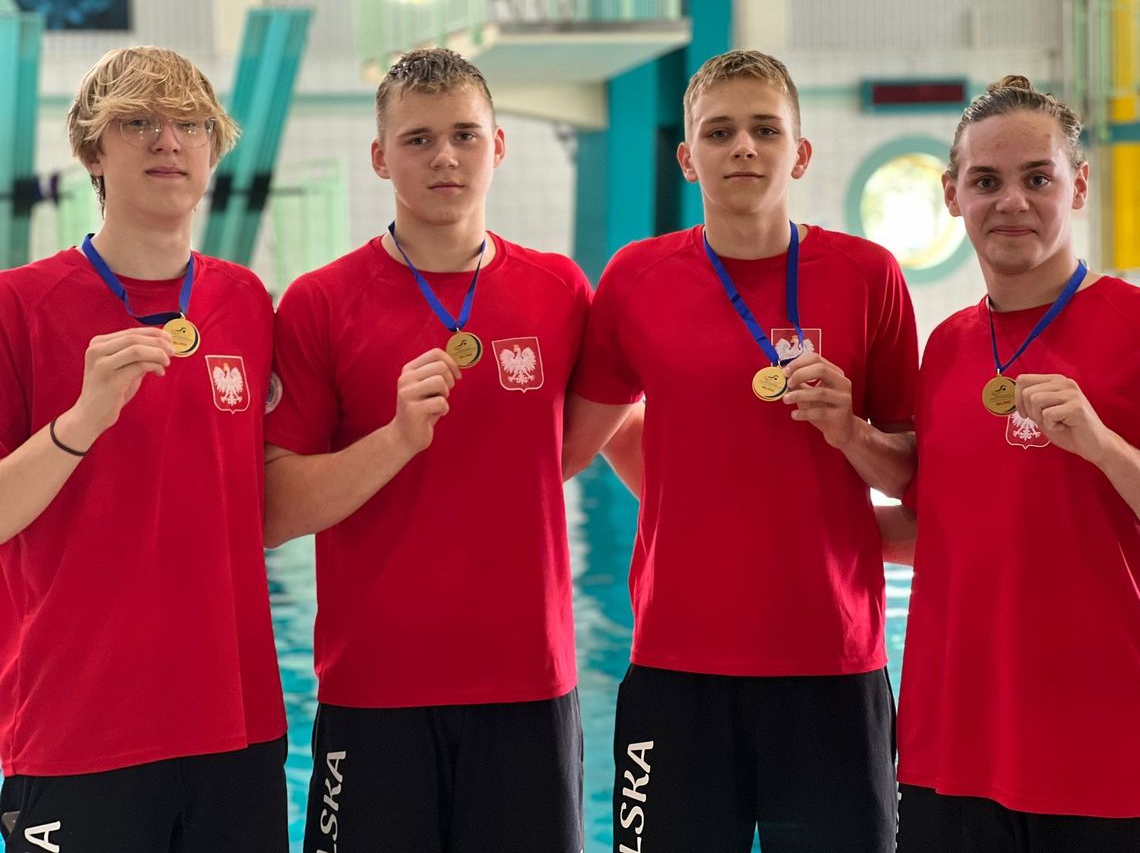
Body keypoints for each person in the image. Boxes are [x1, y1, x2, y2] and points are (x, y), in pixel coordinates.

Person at [562, 49, 919, 852]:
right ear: (688, 157)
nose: (744, 147)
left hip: (833, 664)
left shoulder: (868, 276)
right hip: (676, 668)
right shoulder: (637, 278)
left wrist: (850, 432)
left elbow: (916, 473)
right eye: (719, 132)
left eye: (765, 129)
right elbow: (571, 445)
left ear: (801, 151)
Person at [263, 48, 593, 853]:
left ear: (499, 146)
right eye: (417, 140)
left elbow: (592, 441)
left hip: (528, 685)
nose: (444, 156)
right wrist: (399, 440)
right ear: (379, 156)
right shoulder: (319, 303)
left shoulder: (560, 292)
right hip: (374, 690)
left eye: (464, 136)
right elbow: (272, 512)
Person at [0, 47, 288, 852]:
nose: (170, 140)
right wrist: (80, 422)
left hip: (238, 725)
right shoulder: (19, 305)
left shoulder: (246, 301)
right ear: (93, 150)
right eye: (138, 122)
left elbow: (267, 489)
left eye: (190, 123)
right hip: (77, 727)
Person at [888, 76, 1140, 852]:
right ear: (951, 194)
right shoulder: (947, 347)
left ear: (1080, 184)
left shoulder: (1132, 326)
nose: (1012, 202)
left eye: (1038, 178)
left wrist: (1102, 445)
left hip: (1103, 751)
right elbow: (943, 527)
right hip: (950, 751)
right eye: (985, 181)